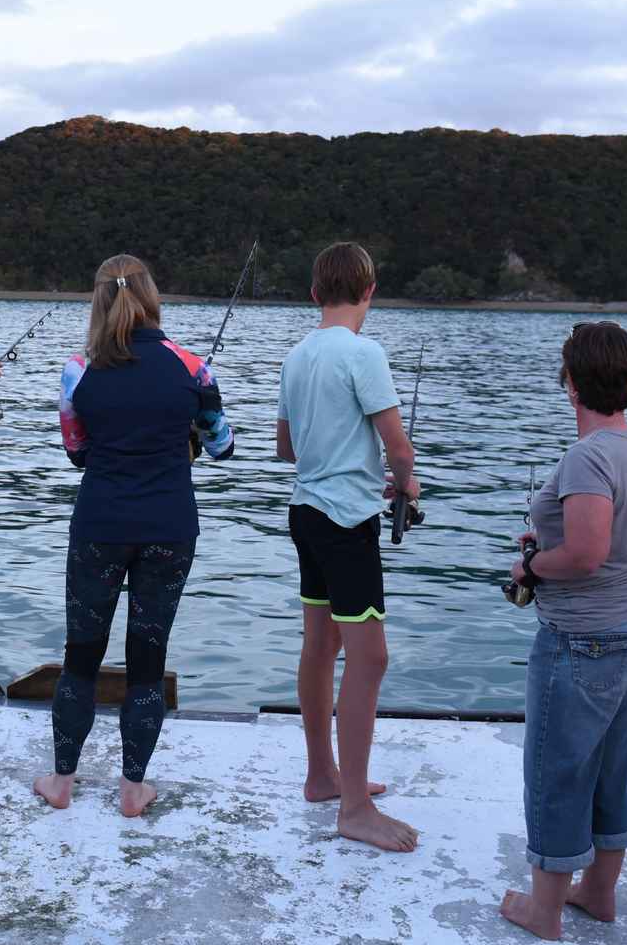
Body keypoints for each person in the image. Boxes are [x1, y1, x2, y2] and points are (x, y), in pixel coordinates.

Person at [32, 255, 235, 817]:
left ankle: (63, 783)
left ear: (98, 300)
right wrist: (192, 425)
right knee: (147, 658)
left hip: (99, 523)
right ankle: (131, 791)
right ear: (152, 298)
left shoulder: (78, 371)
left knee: (81, 655)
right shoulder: (194, 368)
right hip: (170, 526)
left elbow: (77, 453)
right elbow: (223, 447)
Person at [498, 321, 627, 941]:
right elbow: (609, 541)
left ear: (571, 382)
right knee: (607, 761)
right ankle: (598, 892)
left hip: (587, 638)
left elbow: (589, 555)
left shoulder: (587, 455)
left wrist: (530, 565)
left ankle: (543, 912)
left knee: (556, 769)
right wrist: (551, 542)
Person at [275, 241, 420, 853]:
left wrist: (336, 457)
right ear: (370, 291)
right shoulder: (365, 354)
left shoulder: (296, 356)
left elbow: (286, 449)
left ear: (315, 294)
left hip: (306, 513)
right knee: (371, 657)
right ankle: (355, 807)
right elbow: (399, 445)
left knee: (320, 644)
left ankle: (322, 776)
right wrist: (405, 484)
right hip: (346, 523)